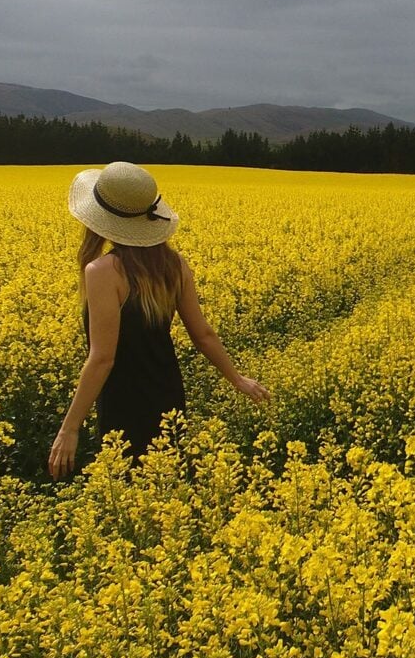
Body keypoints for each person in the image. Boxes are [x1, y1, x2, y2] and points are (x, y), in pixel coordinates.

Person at [48, 161, 270, 479]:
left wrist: (69, 430)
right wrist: (237, 379)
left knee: (127, 486)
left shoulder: (101, 272)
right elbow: (203, 333)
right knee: (167, 483)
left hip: (123, 399)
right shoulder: (174, 265)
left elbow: (102, 358)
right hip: (167, 392)